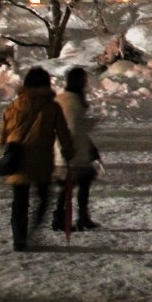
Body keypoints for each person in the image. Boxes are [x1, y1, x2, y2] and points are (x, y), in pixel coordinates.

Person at [0, 66, 74, 252]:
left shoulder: (13, 106)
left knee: (19, 201)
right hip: (41, 160)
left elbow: (3, 135)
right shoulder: (52, 107)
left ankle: (19, 239)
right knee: (44, 198)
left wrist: (2, 153)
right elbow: (63, 134)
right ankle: (33, 231)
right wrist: (68, 153)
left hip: (17, 159)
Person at [52, 66, 101, 232]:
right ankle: (70, 218)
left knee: (74, 185)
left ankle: (70, 218)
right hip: (73, 152)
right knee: (75, 184)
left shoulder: (62, 99)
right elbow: (73, 127)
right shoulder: (73, 101)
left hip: (69, 151)